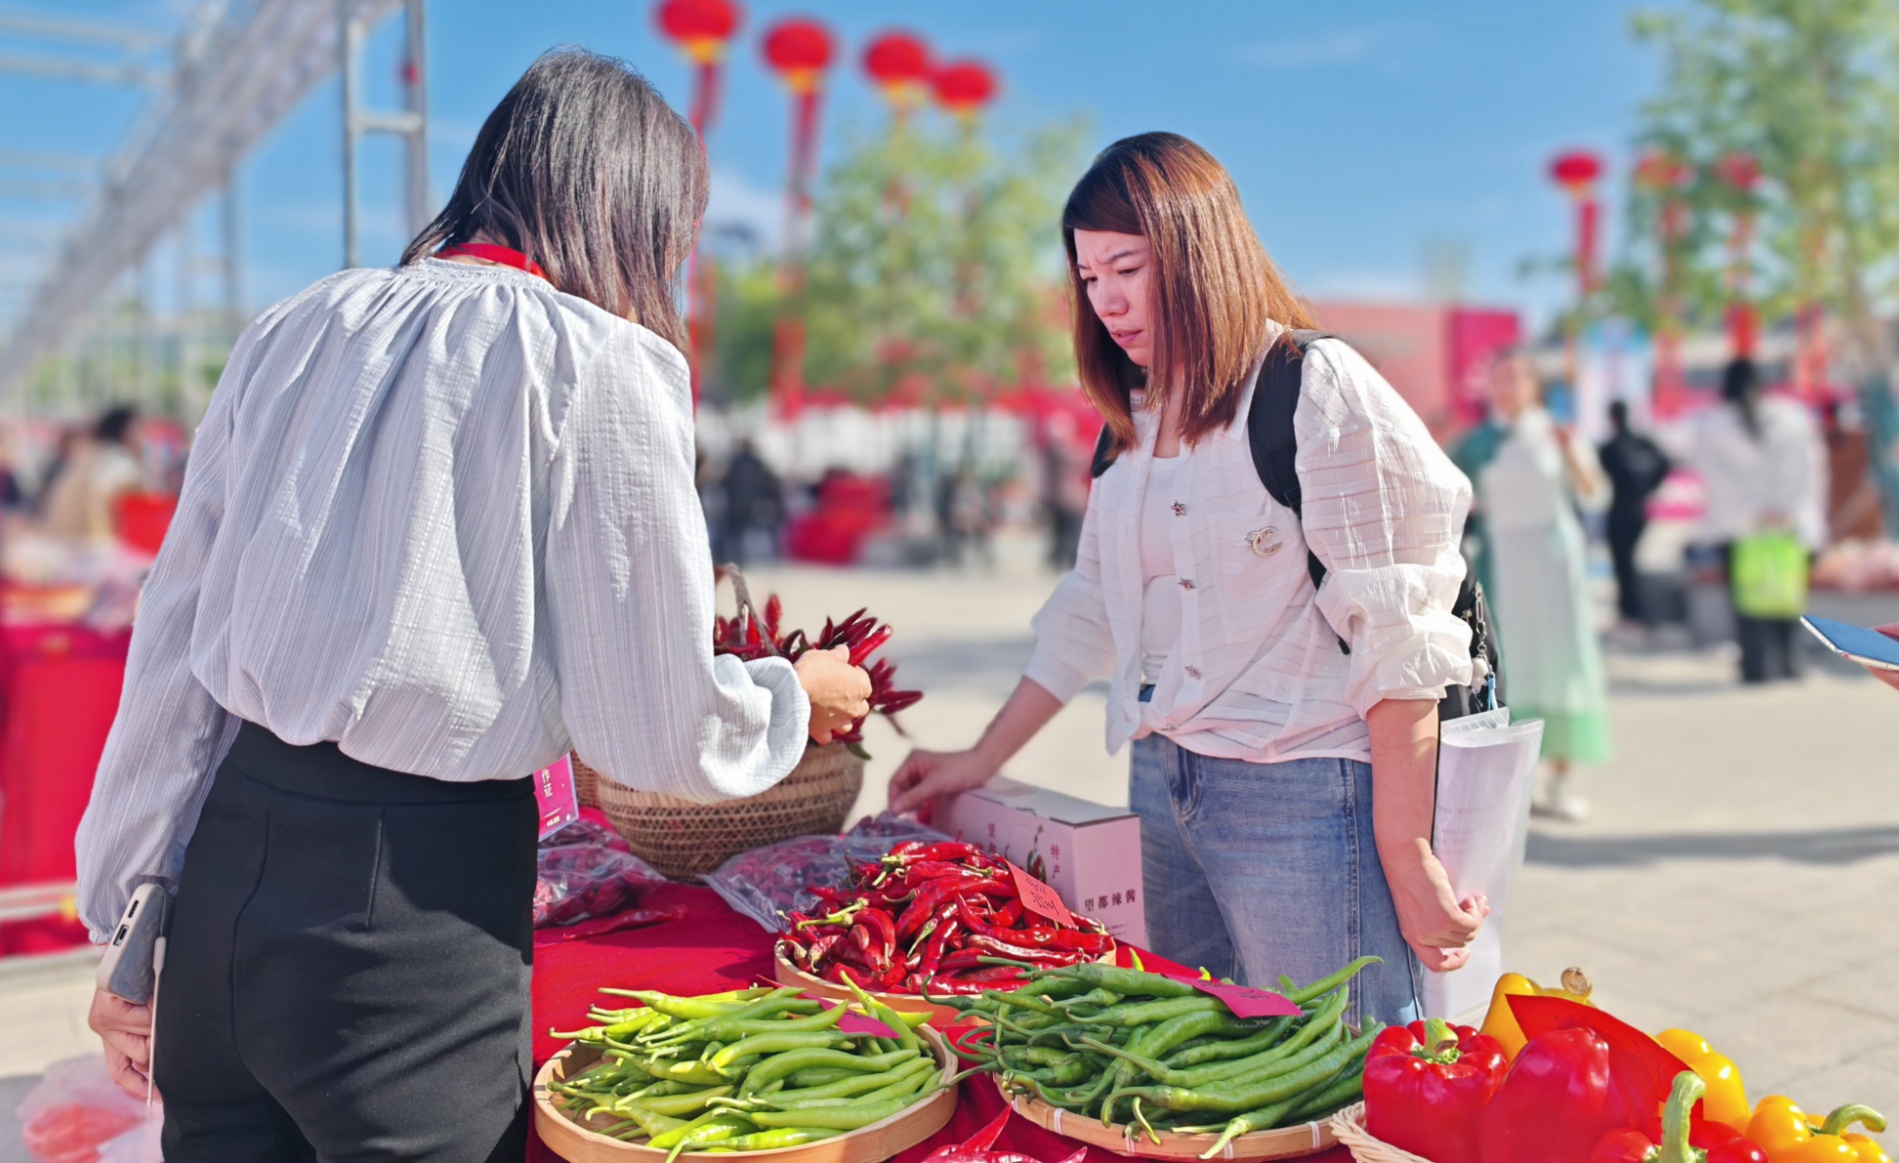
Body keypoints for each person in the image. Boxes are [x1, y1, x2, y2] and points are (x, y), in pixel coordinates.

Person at [75, 50, 871, 1162]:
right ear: (631, 211)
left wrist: (132, 916)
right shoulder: (603, 365)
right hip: (408, 908)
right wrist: (792, 692)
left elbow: (173, 650)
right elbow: (655, 728)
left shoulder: (297, 326)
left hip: (228, 869)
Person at [887, 132, 1487, 1030]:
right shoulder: (1127, 421)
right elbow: (1088, 611)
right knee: (1207, 1066)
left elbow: (1400, 633)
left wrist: (1405, 851)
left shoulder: (1313, 387)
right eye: (1089, 279)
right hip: (1162, 779)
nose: (1108, 301)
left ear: (1197, 250)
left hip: (1301, 794)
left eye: (1126, 267)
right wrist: (982, 757)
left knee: (1335, 1069)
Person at [1478, 351, 1613, 821]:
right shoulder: (1488, 441)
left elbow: (1597, 493)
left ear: (1534, 385)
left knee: (1562, 661)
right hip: (1510, 569)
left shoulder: (1554, 434)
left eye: (1513, 377)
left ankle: (1562, 777)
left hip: (1554, 563)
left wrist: (1571, 454)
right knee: (1521, 665)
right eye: (1497, 379)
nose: (1505, 387)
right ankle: (1526, 782)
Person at [1692, 357, 1827, 684]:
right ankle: (1789, 662)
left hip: (1737, 528)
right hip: (1791, 525)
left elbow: (1712, 477)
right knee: (1788, 594)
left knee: (1748, 601)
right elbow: (1809, 468)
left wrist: (1752, 513)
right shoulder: (1791, 418)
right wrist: (1784, 510)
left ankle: (1756, 667)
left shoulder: (1711, 426)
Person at [1597, 399, 1671, 626]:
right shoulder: (1641, 443)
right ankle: (1633, 612)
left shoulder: (1609, 448)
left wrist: (1648, 488)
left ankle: (1634, 612)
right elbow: (1665, 464)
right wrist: (1649, 489)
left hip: (1623, 511)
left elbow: (1665, 464)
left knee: (1626, 565)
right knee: (1629, 564)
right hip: (1638, 509)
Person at [40, 404, 145, 545]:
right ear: (128, 432)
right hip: (93, 552)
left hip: (63, 548)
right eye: (140, 430)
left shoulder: (87, 457)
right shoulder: (119, 462)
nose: (143, 439)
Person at [717, 438, 783, 565]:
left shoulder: (735, 462)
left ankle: (735, 557)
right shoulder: (757, 463)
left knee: (735, 533)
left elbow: (723, 482)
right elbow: (769, 482)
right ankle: (747, 558)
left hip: (734, 503)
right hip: (751, 504)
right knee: (751, 532)